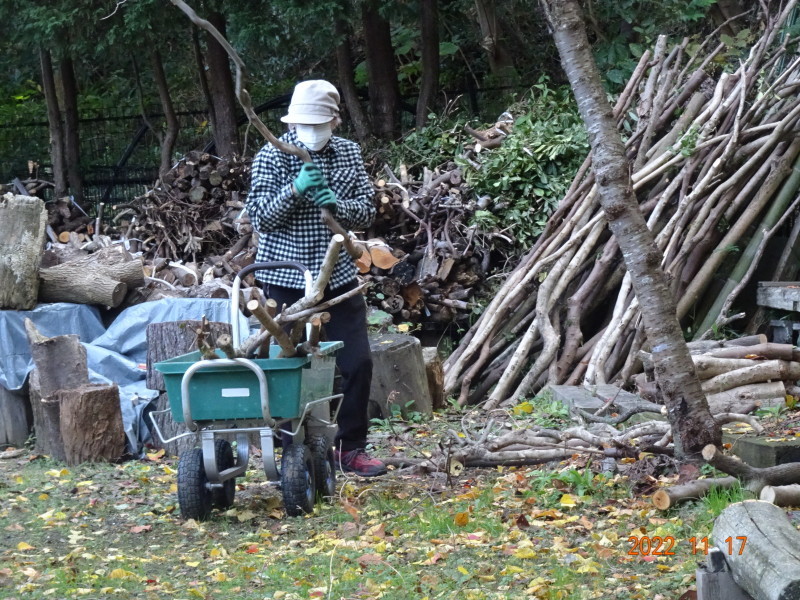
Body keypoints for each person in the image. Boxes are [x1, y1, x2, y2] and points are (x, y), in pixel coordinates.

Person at [246, 80, 386, 477]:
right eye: (302, 123)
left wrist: (335, 204)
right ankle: (295, 454)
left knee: (356, 362)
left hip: (337, 276)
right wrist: (295, 190)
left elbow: (366, 212)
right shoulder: (272, 156)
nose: (309, 129)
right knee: (289, 368)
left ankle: (350, 448)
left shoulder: (348, 153)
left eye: (317, 123)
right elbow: (261, 219)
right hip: (284, 279)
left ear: (334, 121)